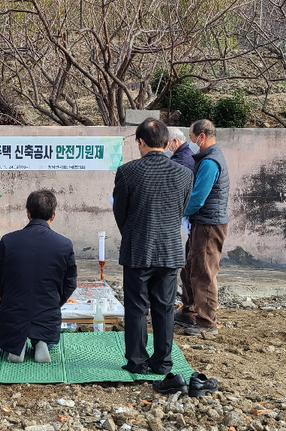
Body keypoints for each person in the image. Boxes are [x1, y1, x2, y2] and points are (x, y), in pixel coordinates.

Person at [112, 117, 193, 375]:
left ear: (141, 141)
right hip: (169, 249)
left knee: (136, 307)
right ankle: (163, 362)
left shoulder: (127, 172)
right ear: (167, 143)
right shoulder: (184, 174)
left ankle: (136, 361)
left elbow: (120, 212)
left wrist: (132, 232)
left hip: (138, 248)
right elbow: (181, 208)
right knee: (165, 307)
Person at [0, 190, 77, 364]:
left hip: (12, 317)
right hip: (47, 317)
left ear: (27, 212)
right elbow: (70, 283)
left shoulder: (8, 241)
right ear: (53, 215)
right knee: (46, 329)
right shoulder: (64, 244)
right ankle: (41, 342)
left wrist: (8, 296)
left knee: (11, 332)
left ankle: (17, 345)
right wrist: (54, 302)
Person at [178, 119, 229, 336]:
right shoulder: (207, 159)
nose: (191, 144)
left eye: (192, 139)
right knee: (190, 268)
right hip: (202, 222)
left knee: (204, 272)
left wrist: (178, 212)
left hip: (209, 224)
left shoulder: (210, 163)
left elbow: (198, 197)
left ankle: (206, 321)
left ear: (202, 136)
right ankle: (189, 311)